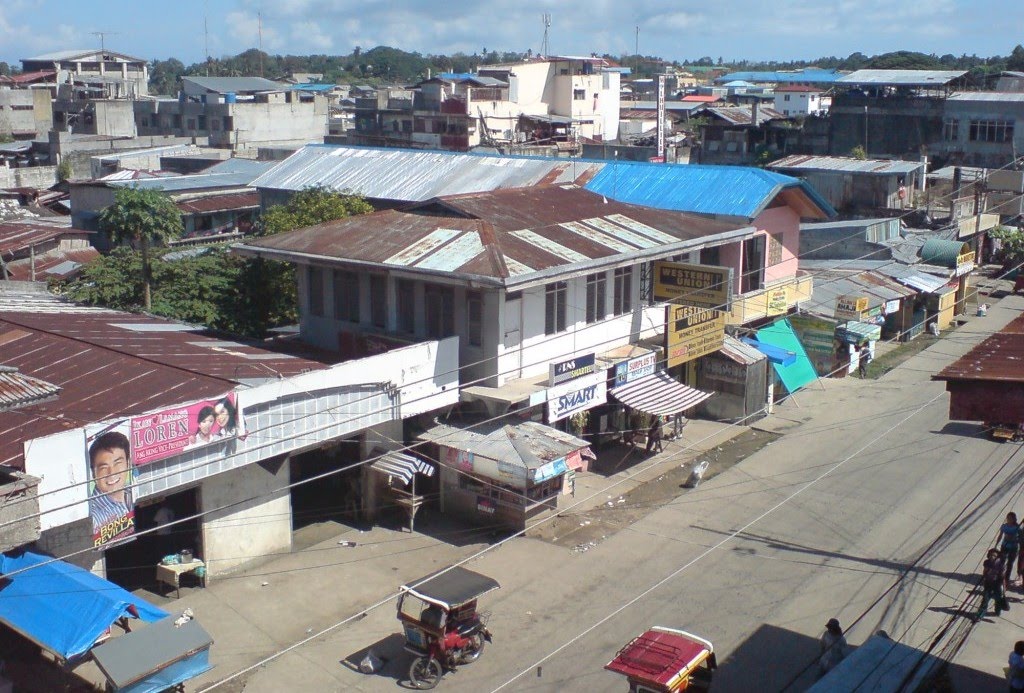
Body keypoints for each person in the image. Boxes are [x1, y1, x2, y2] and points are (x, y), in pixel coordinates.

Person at [88, 431, 134, 546]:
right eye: (103, 467)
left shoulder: (133, 493)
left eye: (117, 463)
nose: (111, 473)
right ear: (94, 474)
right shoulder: (93, 517)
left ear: (128, 464)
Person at [977, 548, 1006, 620]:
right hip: (988, 584)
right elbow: (985, 572)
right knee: (985, 599)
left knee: (998, 599)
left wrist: (1004, 587)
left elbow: (1002, 577)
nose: (992, 557)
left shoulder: (1000, 565)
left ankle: (997, 611)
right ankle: (980, 614)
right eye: (991, 555)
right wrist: (985, 578)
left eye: (994, 555)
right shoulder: (986, 562)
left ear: (997, 557)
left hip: (997, 584)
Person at [999, 512, 1021, 590]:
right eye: (1008, 518)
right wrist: (996, 544)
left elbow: (1021, 538)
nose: (1009, 520)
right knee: (1001, 561)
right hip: (1004, 546)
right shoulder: (1004, 526)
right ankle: (1000, 576)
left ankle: (1006, 579)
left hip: (1013, 548)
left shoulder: (1017, 528)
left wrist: (1015, 540)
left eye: (1010, 518)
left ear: (1014, 519)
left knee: (1009, 564)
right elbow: (1000, 535)